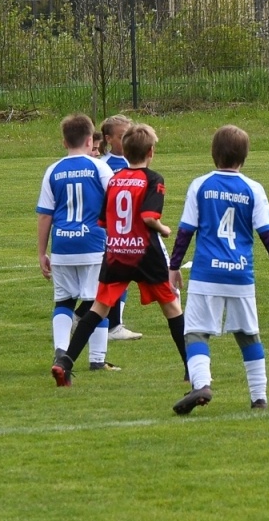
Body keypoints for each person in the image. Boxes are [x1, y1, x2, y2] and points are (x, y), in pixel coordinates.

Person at [168, 125, 269, 413]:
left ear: (213, 153)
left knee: (196, 332)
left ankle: (202, 384)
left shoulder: (200, 185)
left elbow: (185, 231)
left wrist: (174, 266)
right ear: (245, 157)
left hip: (206, 273)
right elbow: (268, 235)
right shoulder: (254, 189)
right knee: (248, 335)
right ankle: (259, 398)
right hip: (240, 275)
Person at [56, 124, 190, 392]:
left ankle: (65, 362)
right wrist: (163, 229)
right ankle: (192, 367)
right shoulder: (153, 179)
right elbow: (148, 217)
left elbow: (104, 221)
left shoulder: (115, 180)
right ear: (151, 152)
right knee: (172, 308)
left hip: (117, 252)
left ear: (125, 152)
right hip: (144, 253)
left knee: (98, 309)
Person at [37, 113, 120, 376]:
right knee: (100, 301)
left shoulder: (53, 171)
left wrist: (42, 252)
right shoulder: (100, 168)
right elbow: (115, 205)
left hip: (62, 246)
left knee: (63, 301)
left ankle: (61, 351)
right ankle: (97, 360)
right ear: (89, 140)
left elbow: (45, 215)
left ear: (64, 142)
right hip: (94, 244)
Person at [95, 113, 142, 342]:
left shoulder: (133, 162)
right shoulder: (102, 165)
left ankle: (113, 323)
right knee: (112, 277)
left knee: (123, 276)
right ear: (108, 139)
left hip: (129, 230)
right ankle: (108, 324)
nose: (127, 140)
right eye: (123, 135)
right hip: (108, 231)